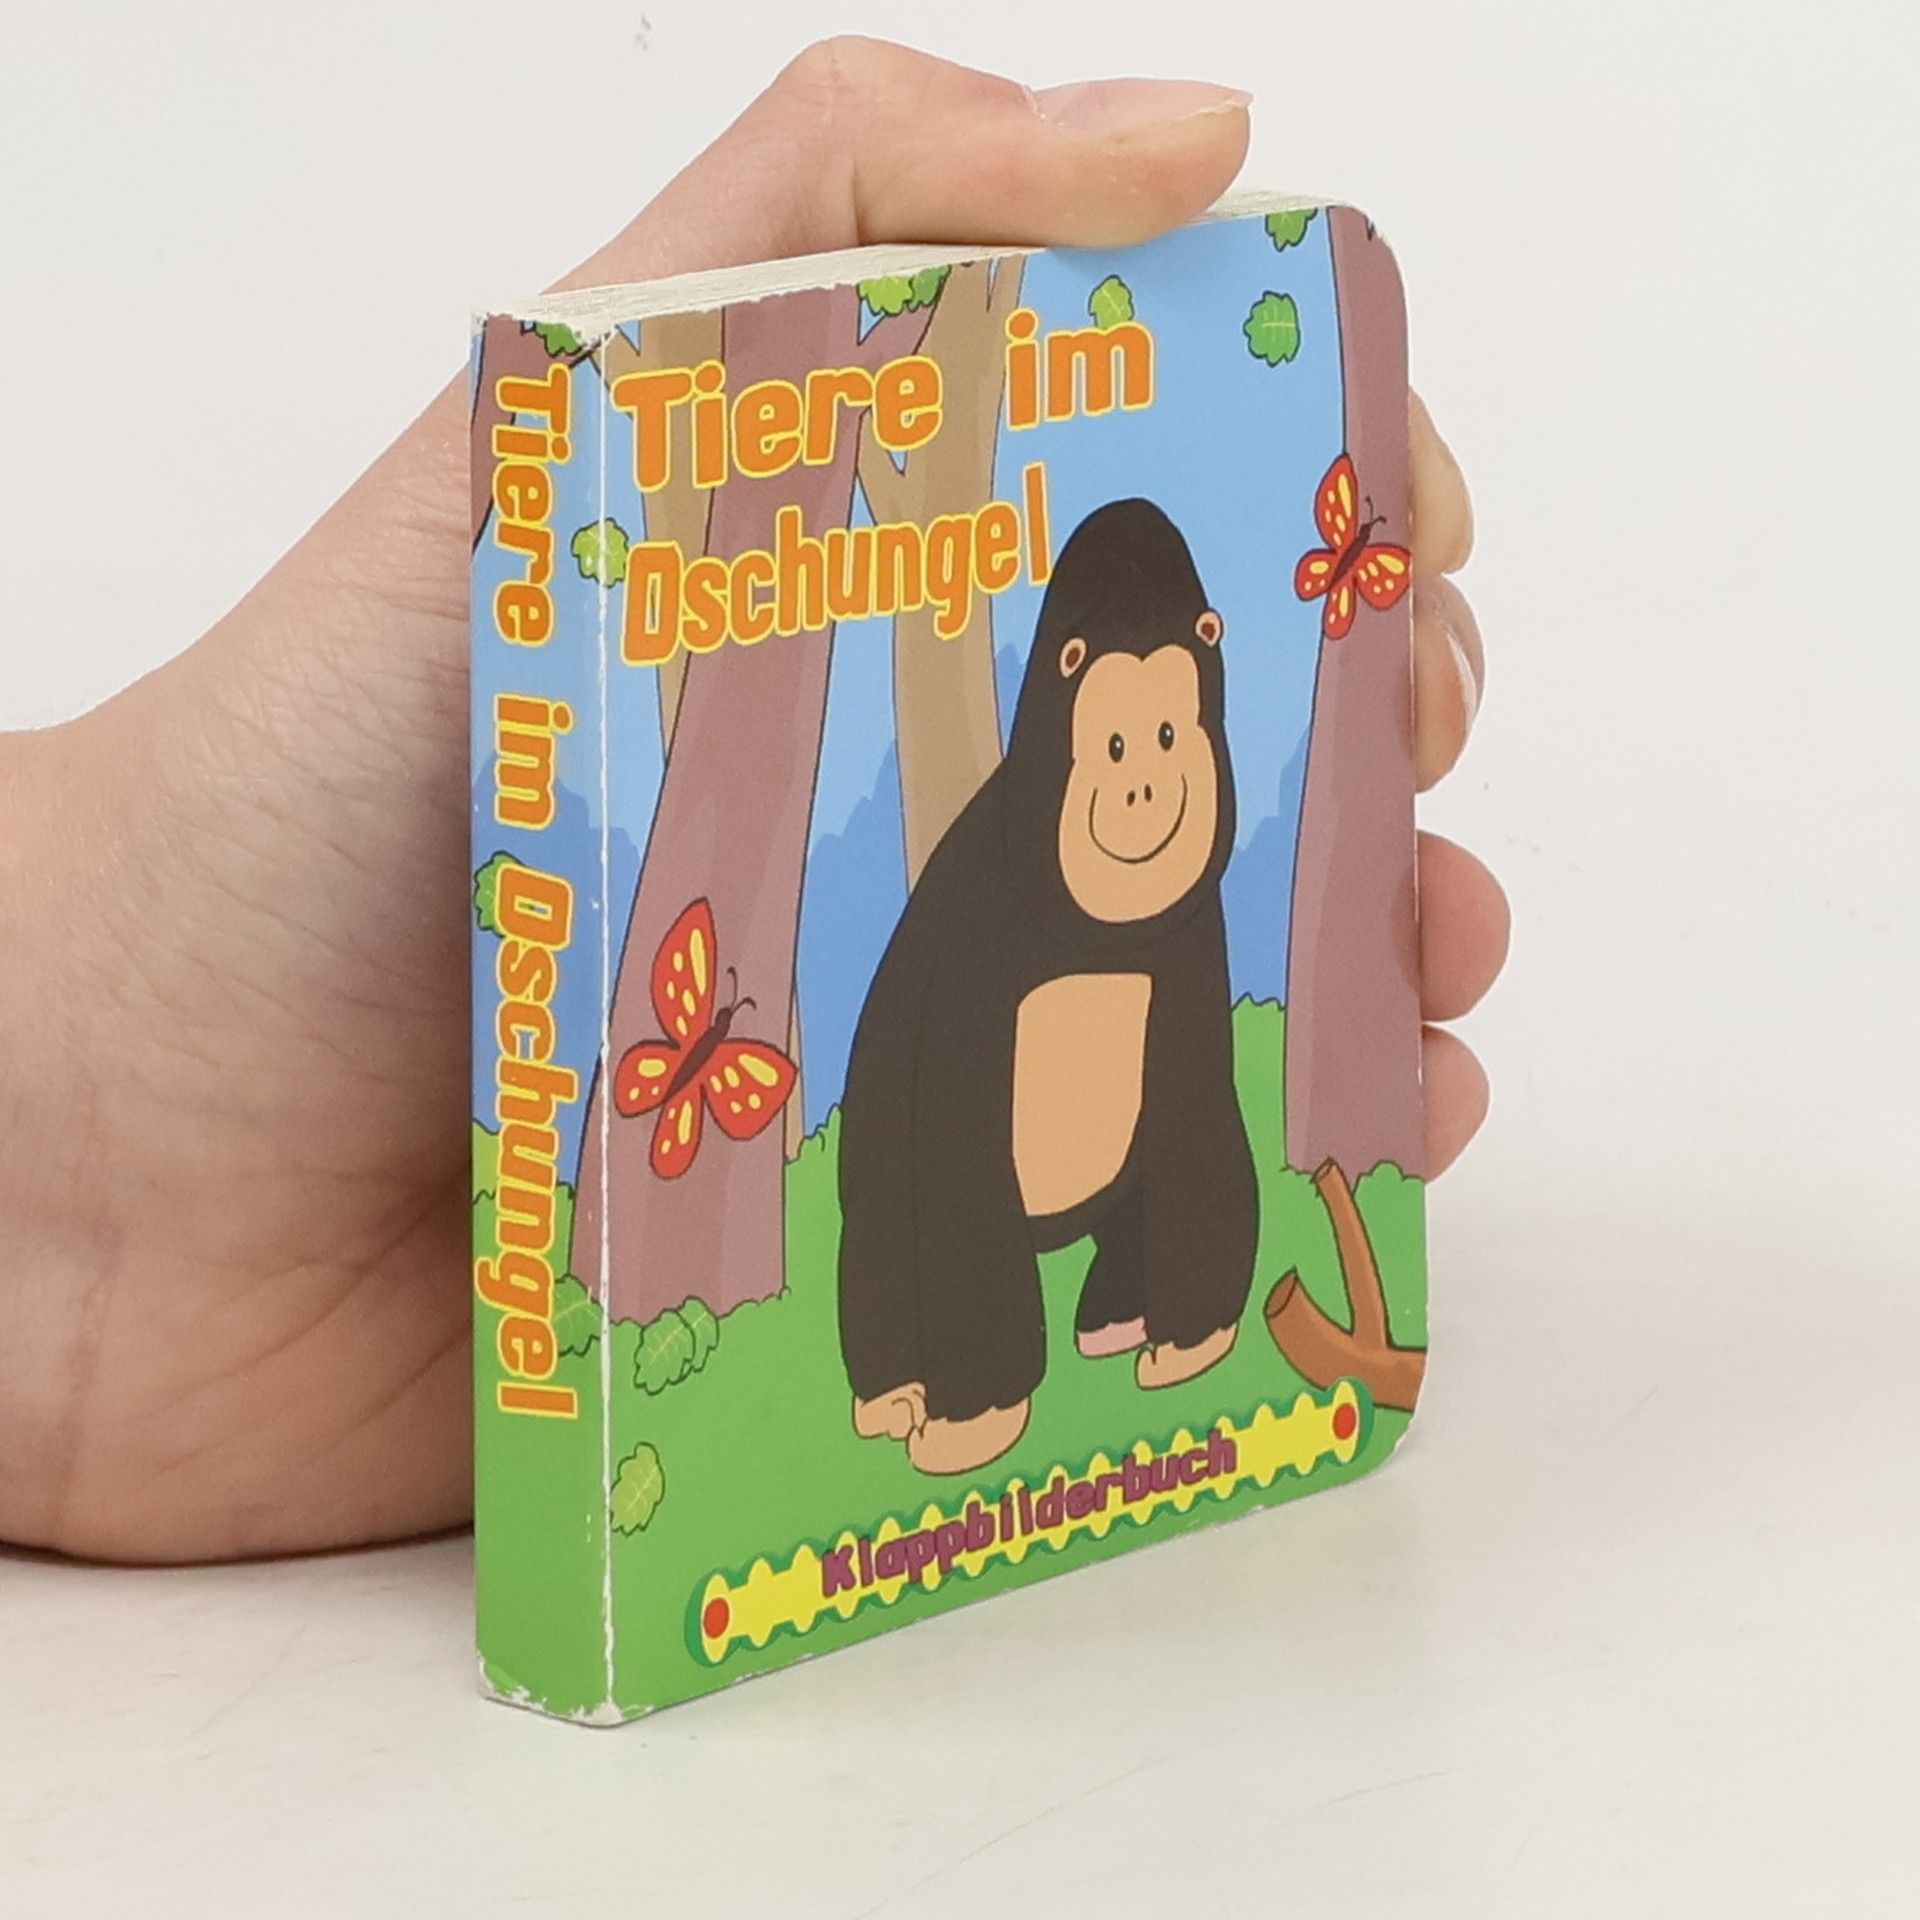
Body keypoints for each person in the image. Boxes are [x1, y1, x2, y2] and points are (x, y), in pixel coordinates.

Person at [0, 38, 1507, 1563]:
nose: (1145, 787)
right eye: (1116, 747)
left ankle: (1168, 1287)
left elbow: (1191, 1098)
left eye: (1169, 739)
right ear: (1060, 712)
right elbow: (924, 1121)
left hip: (1110, 1121)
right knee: (924, 1160)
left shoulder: (1179, 887)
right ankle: (949, 1356)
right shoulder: (984, 899)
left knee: (1192, 1088)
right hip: (963, 1148)